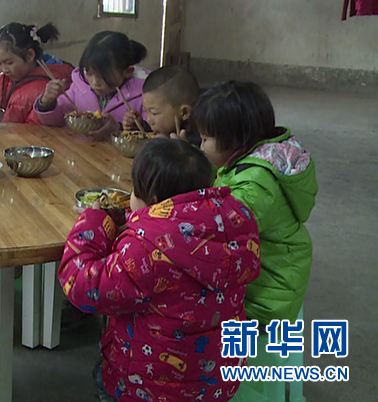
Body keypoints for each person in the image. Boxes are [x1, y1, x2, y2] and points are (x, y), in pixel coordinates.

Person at [58, 138, 261, 401]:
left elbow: (83, 285)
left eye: (134, 192)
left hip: (150, 387)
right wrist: (131, 220)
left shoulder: (147, 249)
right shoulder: (239, 221)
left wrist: (93, 224)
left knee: (101, 378)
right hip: (219, 380)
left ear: (153, 200)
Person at [191, 81, 317, 402]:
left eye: (205, 139)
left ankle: (230, 388)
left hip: (266, 294)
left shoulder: (255, 185)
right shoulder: (255, 160)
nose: (201, 146)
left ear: (235, 140)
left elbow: (218, 231)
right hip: (278, 272)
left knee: (181, 305)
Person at [36, 31, 148, 141]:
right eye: (89, 73)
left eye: (103, 76)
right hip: (82, 150)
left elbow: (153, 135)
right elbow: (55, 121)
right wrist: (46, 101)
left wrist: (119, 128)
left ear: (127, 71)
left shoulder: (144, 94)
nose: (94, 82)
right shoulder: (80, 87)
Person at [0, 22, 73, 125]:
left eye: (9, 63)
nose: (4, 69)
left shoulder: (48, 87)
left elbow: (35, 129)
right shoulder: (0, 81)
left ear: (30, 55)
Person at [122, 65, 202, 146]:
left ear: (184, 112)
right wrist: (141, 126)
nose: (149, 120)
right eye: (146, 111)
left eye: (154, 113)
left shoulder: (200, 139)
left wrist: (180, 147)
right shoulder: (165, 128)